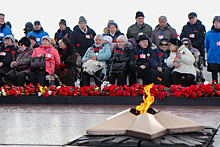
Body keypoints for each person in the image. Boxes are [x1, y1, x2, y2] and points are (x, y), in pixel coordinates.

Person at [205, 16, 220, 83]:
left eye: (218, 22)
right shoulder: (208, 34)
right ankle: (214, 89)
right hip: (212, 57)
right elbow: (206, 45)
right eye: (215, 22)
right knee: (214, 75)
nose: (216, 24)